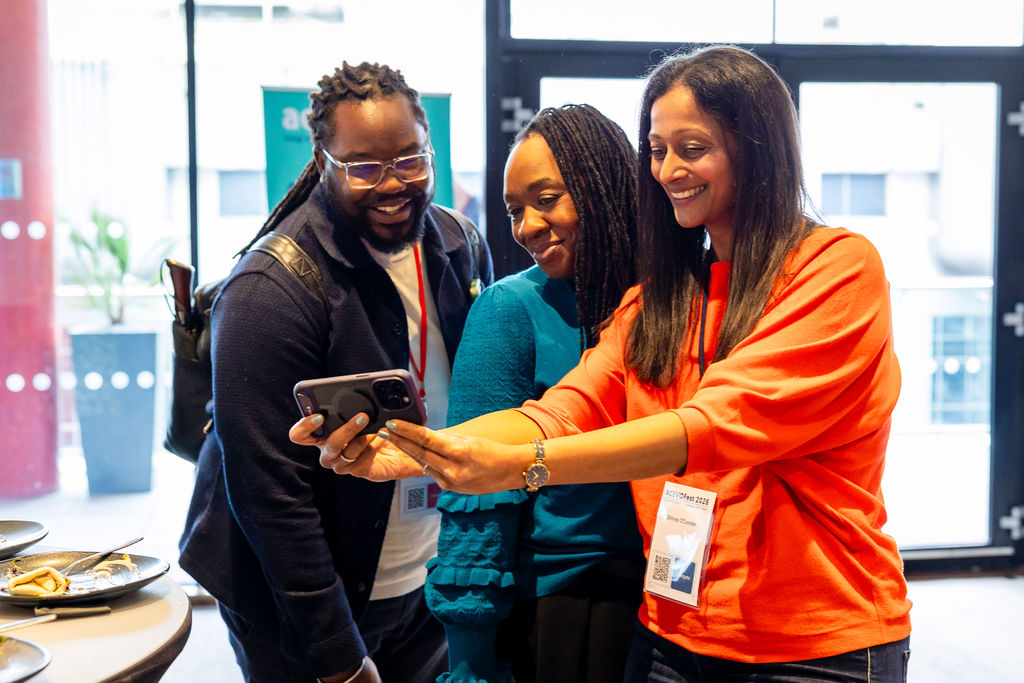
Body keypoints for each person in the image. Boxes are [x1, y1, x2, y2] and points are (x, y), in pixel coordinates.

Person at [297, 45, 912, 682]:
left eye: (692, 147)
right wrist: (418, 451)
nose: (669, 169)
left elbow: (713, 426)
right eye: (656, 150)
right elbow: (562, 412)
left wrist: (518, 465)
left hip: (814, 643)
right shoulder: (658, 302)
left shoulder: (835, 267)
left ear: (757, 148)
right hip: (675, 633)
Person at [179, 61, 492, 683]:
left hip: (426, 569)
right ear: (324, 164)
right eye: (365, 167)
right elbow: (268, 493)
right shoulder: (272, 288)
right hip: (306, 597)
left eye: (410, 159)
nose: (393, 184)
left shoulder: (459, 244)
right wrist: (337, 655)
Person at [426, 104, 643, 683]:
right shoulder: (508, 309)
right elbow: (475, 501)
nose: (525, 228)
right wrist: (469, 664)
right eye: (515, 211)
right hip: (566, 600)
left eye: (545, 200)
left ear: (605, 185)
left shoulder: (674, 297)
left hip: (679, 597)